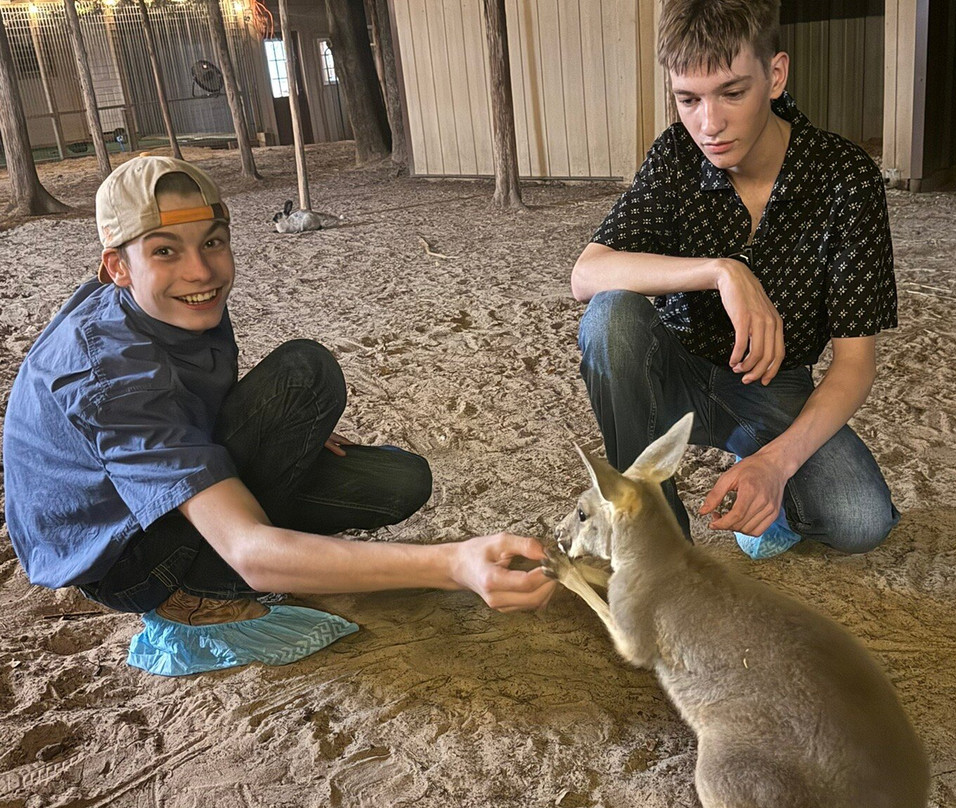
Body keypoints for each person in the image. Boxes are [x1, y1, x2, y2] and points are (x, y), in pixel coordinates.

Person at [3, 155, 555, 675]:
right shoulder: (108, 373)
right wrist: (451, 565)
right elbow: (249, 551)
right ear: (117, 267)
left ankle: (277, 549)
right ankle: (195, 596)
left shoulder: (163, 304)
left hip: (155, 493)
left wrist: (290, 430)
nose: (201, 271)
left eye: (213, 242)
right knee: (303, 372)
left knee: (396, 478)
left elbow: (183, 399)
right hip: (127, 559)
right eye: (165, 251)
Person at [572, 0, 900, 560]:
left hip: (773, 386)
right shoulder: (676, 154)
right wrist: (723, 271)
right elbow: (587, 273)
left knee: (860, 522)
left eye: (732, 93)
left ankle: (766, 500)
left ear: (775, 76)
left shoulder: (844, 176)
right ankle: (656, 535)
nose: (709, 124)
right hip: (669, 373)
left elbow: (854, 363)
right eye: (688, 99)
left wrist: (776, 465)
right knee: (610, 317)